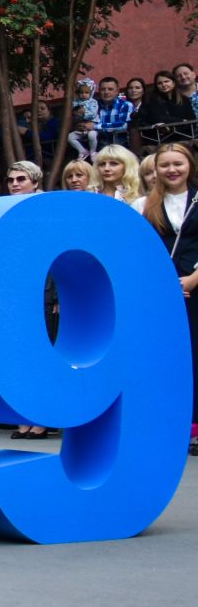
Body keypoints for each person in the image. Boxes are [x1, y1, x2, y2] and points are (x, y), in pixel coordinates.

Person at [131, 141, 198, 458]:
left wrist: (192, 280)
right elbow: (139, 250)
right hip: (160, 293)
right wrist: (164, 285)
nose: (172, 170)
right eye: (165, 164)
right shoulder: (143, 205)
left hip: (194, 286)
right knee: (165, 358)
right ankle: (171, 425)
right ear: (154, 170)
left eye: (178, 164)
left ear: (189, 167)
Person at [133, 72, 186, 150]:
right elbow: (157, 117)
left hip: (184, 139)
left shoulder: (183, 99)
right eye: (159, 83)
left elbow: (190, 119)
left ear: (173, 83)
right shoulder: (151, 99)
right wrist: (181, 121)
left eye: (166, 81)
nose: (163, 85)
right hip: (158, 141)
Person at [94, 76, 134, 145]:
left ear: (117, 91)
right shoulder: (94, 106)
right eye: (103, 89)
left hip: (120, 147)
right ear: (99, 91)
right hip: (97, 147)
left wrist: (96, 126)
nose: (106, 92)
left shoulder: (126, 105)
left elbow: (124, 125)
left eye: (110, 89)